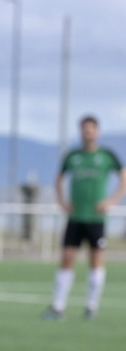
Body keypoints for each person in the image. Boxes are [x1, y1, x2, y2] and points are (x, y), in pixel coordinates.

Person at [43, 115, 125, 320]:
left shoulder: (107, 156)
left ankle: (91, 306)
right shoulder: (73, 156)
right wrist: (62, 201)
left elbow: (123, 176)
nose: (87, 132)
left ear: (97, 131)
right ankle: (58, 306)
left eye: (91, 129)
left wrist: (112, 200)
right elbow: (59, 177)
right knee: (67, 258)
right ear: (80, 131)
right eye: (84, 129)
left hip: (96, 219)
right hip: (76, 217)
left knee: (96, 260)